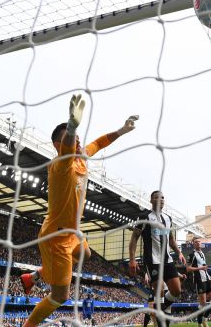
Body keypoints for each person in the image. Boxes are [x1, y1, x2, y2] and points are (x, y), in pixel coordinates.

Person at [20, 93, 138, 327]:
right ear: (59, 145)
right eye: (70, 139)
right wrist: (72, 125)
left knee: (86, 254)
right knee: (60, 296)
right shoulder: (60, 165)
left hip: (73, 231)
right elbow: (67, 146)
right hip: (56, 237)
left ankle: (34, 275)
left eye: (76, 137)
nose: (77, 141)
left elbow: (100, 142)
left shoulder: (81, 157)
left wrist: (123, 130)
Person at [129, 190, 186, 327]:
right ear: (151, 200)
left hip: (167, 261)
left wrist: (179, 252)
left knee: (176, 291)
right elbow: (134, 239)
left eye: (162, 198)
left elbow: (171, 240)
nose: (160, 200)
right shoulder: (145, 217)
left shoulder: (168, 219)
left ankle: (157, 309)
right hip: (152, 261)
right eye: (157, 197)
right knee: (159, 291)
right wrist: (132, 260)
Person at [187, 237, 211, 327]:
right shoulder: (191, 255)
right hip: (199, 280)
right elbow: (188, 269)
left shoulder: (202, 254)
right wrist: (200, 268)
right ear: (193, 244)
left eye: (199, 242)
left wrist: (209, 276)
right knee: (203, 304)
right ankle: (199, 323)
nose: (198, 243)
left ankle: (205, 319)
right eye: (196, 242)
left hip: (207, 279)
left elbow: (204, 268)